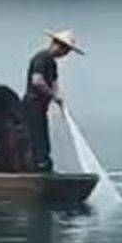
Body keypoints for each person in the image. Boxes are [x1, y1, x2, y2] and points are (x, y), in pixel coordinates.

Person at [22, 29, 83, 172]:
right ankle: (38, 169)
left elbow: (54, 82)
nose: (66, 54)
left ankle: (41, 167)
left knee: (42, 139)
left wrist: (58, 96)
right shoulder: (41, 58)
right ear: (57, 45)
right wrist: (52, 95)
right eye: (66, 50)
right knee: (37, 139)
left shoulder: (52, 63)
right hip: (32, 105)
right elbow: (37, 81)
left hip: (41, 107)